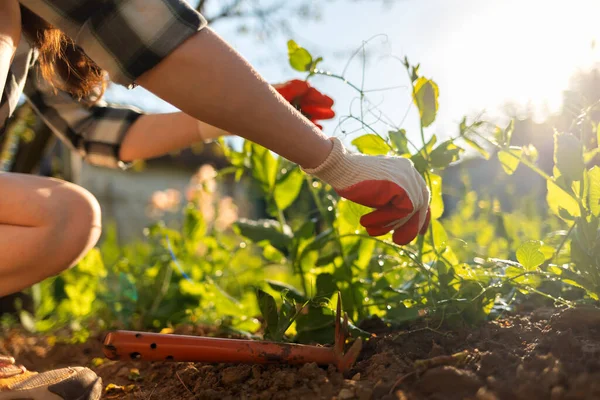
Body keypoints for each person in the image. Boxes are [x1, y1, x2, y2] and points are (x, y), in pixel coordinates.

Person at [0, 0, 431, 398]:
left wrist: (241, 111)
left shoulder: (33, 31)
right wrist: (337, 162)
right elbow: (144, 32)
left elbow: (94, 129)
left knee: (68, 216)